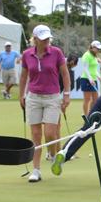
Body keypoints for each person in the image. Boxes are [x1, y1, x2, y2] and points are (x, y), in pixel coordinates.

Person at [19, 25, 71, 183]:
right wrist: (21, 95)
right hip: (33, 97)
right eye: (42, 39)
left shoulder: (56, 52)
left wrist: (66, 94)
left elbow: (65, 73)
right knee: (35, 135)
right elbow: (23, 76)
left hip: (52, 98)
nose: (46, 41)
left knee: (50, 133)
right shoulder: (27, 54)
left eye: (47, 38)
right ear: (35, 39)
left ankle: (53, 154)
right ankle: (36, 170)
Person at [76, 40, 101, 117]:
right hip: (86, 79)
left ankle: (91, 114)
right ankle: (86, 116)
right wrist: (90, 78)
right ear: (92, 47)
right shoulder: (86, 55)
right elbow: (85, 68)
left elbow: (94, 69)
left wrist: (99, 77)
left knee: (96, 99)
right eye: (97, 48)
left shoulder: (94, 56)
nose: (98, 50)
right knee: (87, 99)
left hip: (93, 79)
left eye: (99, 49)